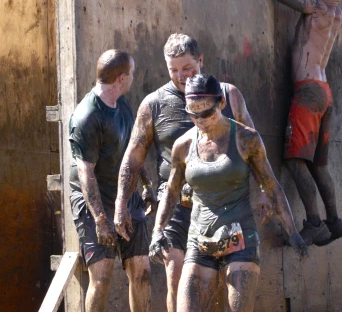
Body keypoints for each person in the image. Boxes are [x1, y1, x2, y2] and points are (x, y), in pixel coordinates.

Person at [114, 34, 268, 312]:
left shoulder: (227, 94)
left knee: (223, 284)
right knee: (176, 277)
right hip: (176, 204)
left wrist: (264, 190)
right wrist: (120, 203)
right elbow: (133, 158)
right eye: (173, 70)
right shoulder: (153, 104)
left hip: (222, 204)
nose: (181, 76)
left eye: (187, 68)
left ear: (201, 60)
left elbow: (255, 147)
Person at [150, 74, 307, 312]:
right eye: (193, 113)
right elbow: (172, 192)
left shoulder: (246, 138)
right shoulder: (183, 145)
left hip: (240, 237)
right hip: (200, 238)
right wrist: (157, 231)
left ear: (221, 103)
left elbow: (271, 185)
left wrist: (293, 232)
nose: (200, 119)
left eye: (206, 112)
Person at [270, 0, 342, 246]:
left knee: (293, 160)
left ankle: (314, 223)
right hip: (324, 92)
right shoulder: (336, 13)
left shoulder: (316, 6)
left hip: (307, 92)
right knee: (318, 164)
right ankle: (334, 219)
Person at [69, 50, 153, 312]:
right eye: (131, 74)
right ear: (121, 78)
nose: (132, 79)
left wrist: (147, 185)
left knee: (141, 270)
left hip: (125, 194)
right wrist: (101, 221)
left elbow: (133, 152)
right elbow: (85, 173)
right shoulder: (87, 116)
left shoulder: (124, 105)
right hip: (94, 198)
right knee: (102, 275)